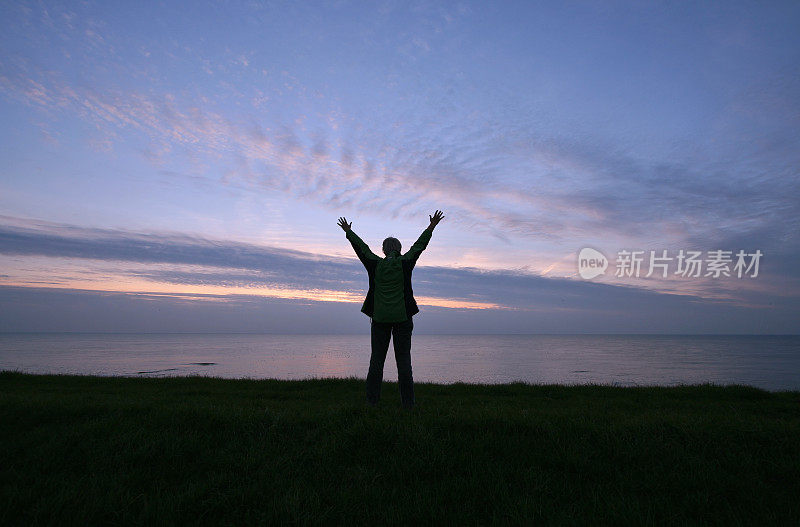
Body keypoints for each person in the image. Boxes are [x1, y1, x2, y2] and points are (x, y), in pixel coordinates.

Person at [337, 210, 445, 409]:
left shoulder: (374, 263)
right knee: (404, 362)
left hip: (380, 319)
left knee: (376, 361)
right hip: (403, 318)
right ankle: (408, 404)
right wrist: (431, 226)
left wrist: (348, 232)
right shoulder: (405, 262)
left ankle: (372, 402)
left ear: (384, 250)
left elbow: (362, 248)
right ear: (399, 249)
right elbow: (419, 246)